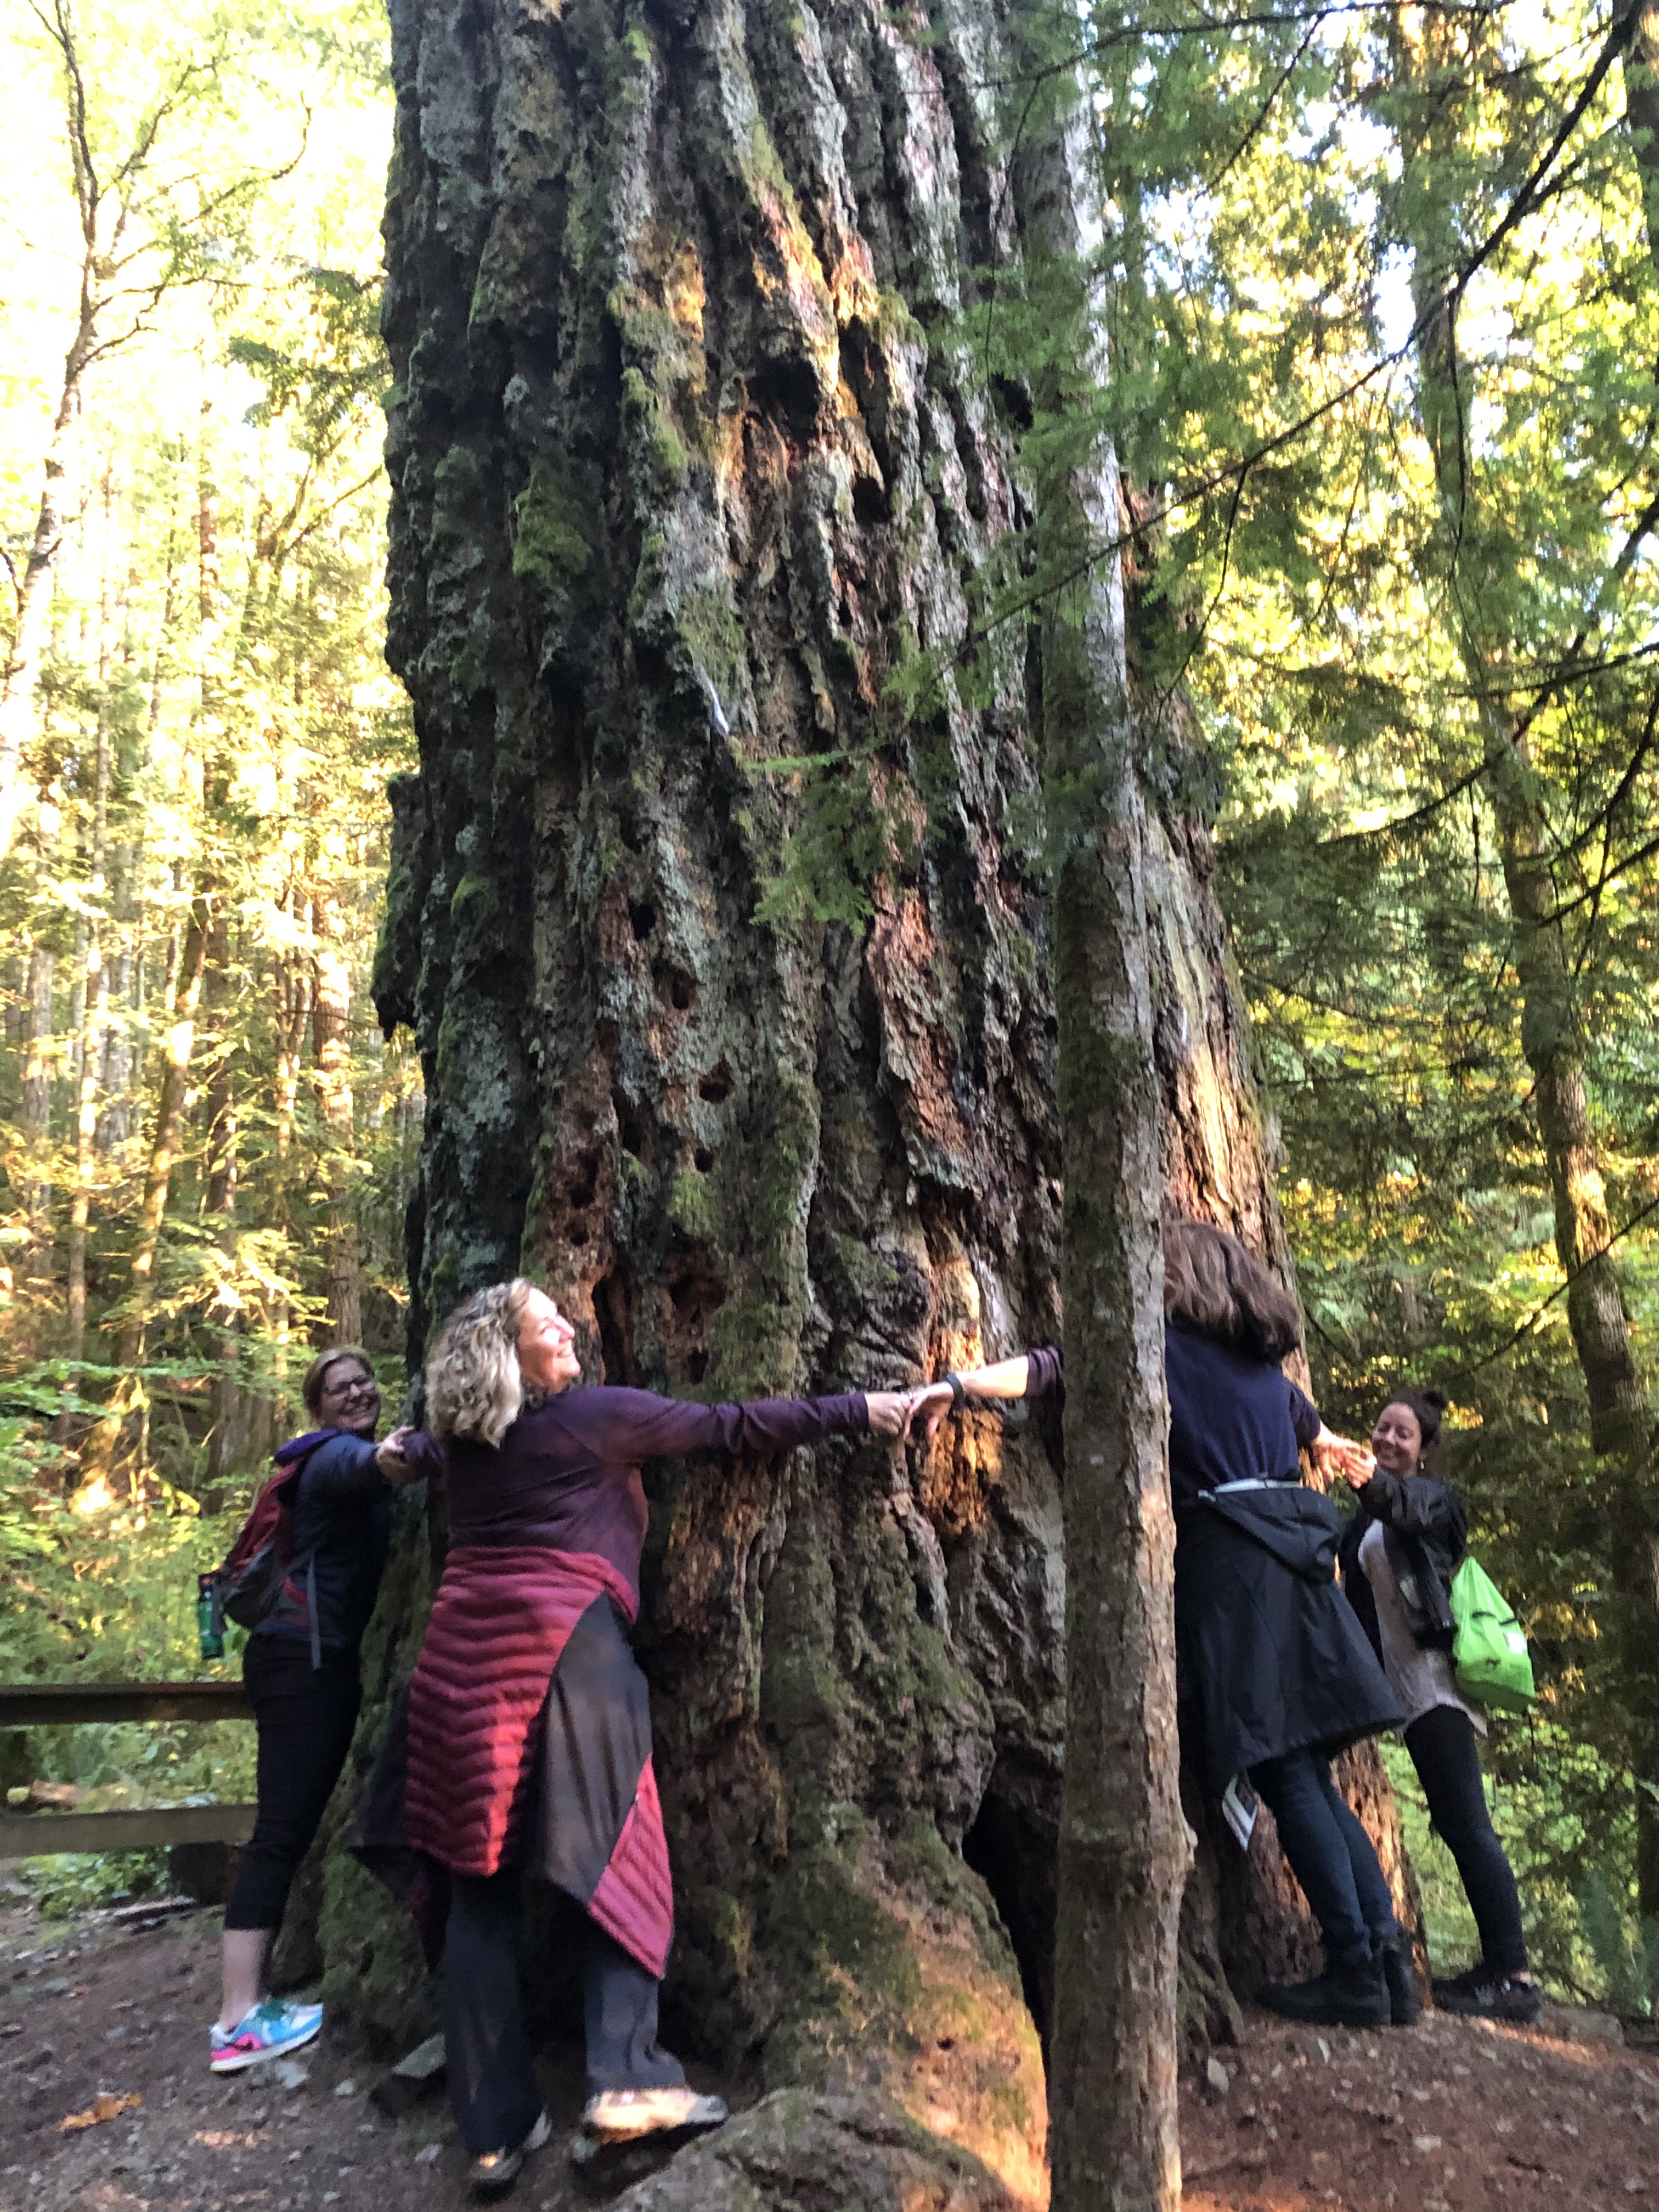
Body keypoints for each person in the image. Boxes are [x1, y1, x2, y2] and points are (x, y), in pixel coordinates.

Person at [362, 1280, 914, 2198]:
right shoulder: (595, 1419)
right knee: (615, 1854)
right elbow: (733, 1426)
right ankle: (627, 2079)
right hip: (569, 1653)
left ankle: (492, 2132)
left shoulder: (457, 1442)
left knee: (477, 1889)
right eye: (545, 1321)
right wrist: (862, 1407)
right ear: (508, 1354)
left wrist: (396, 1452)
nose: (568, 1324)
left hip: (457, 1669)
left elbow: (416, 1448)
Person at [910, 1220, 1416, 2029]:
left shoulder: (1163, 1352)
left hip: (1237, 1579)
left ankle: (1356, 1968)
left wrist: (959, 1384)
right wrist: (1331, 1445)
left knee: (1287, 1775)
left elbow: (1049, 1371)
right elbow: (1314, 1430)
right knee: (1313, 1776)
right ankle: (1389, 1966)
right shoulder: (1268, 1377)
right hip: (1298, 1572)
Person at [211, 1347, 417, 2073]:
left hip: (301, 1657)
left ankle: (249, 2002)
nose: (357, 1392)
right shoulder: (331, 1457)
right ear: (319, 1407)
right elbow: (369, 1466)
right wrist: (407, 1452)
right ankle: (237, 2019)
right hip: (300, 1663)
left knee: (286, 1829)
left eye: (364, 1381)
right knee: (279, 1833)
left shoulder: (329, 1459)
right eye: (339, 1388)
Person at [1339, 1386, 1539, 2024]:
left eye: (1404, 1434)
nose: (1388, 1440)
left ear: (1423, 1451)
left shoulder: (1431, 1501)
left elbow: (1399, 1506)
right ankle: (1497, 1969)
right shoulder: (1363, 1524)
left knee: (1468, 1825)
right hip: (1403, 1695)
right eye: (1382, 1428)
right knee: (1457, 1826)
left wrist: (1363, 1475)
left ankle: (1514, 1977)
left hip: (1436, 1686)